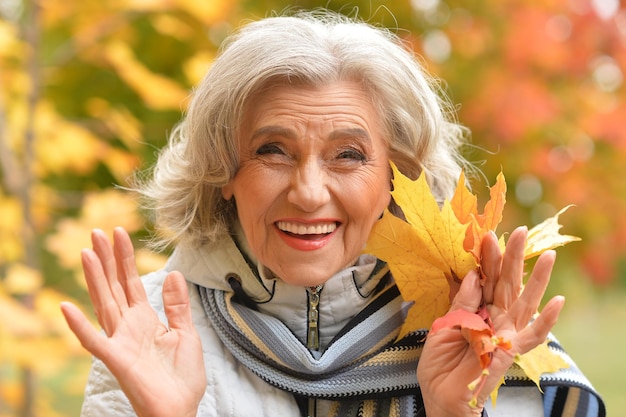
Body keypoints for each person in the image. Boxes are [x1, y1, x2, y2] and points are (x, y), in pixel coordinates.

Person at [60, 9, 605, 417]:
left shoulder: (476, 324)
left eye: (348, 155)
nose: (308, 192)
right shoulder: (149, 329)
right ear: (223, 171)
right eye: (272, 151)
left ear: (398, 178)